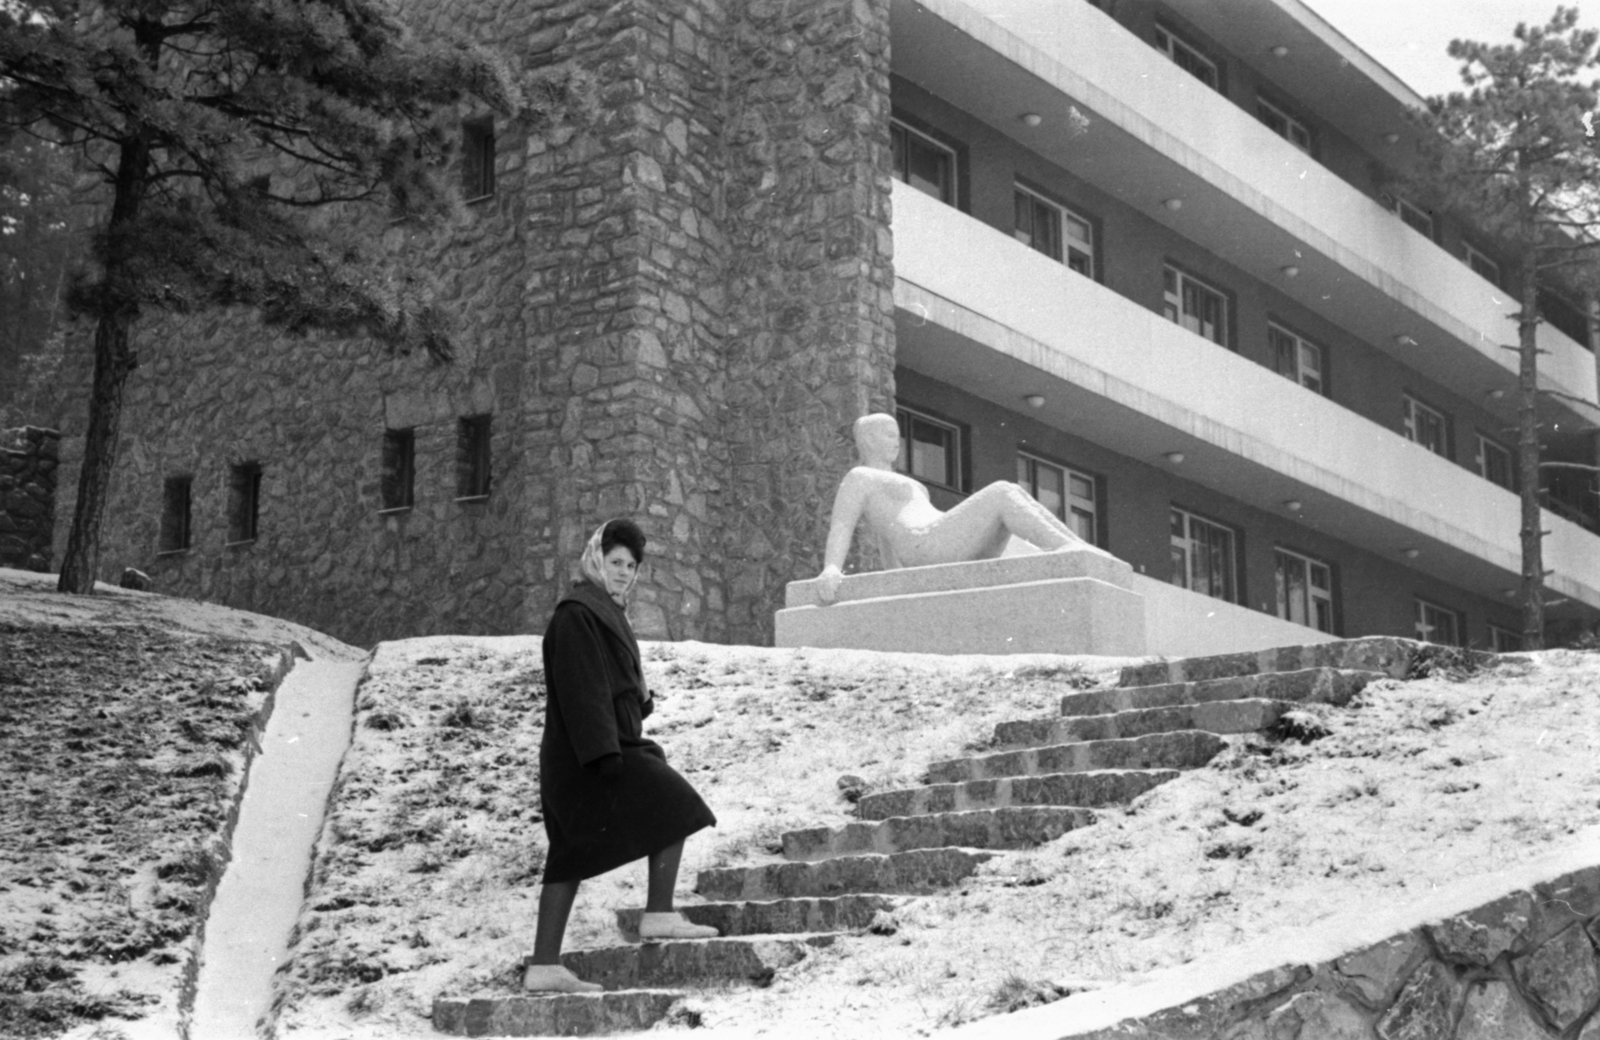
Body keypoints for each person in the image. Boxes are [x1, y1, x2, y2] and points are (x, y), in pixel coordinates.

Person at [523, 518, 719, 994]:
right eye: (616, 562)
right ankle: (656, 914)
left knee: (570, 852)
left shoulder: (603, 610)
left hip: (597, 747)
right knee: (678, 805)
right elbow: (581, 688)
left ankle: (545, 965)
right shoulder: (576, 613)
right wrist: (604, 753)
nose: (624, 572)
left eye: (631, 566)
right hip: (589, 753)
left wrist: (636, 700)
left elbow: (608, 682)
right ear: (596, 560)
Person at [816, 412, 1113, 603]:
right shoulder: (860, 478)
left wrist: (896, 580)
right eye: (889, 434)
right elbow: (842, 525)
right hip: (926, 544)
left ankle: (1074, 545)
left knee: (1010, 491)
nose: (898, 441)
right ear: (868, 438)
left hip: (938, 536)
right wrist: (831, 568)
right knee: (1001, 492)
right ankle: (1064, 546)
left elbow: (887, 538)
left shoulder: (908, 484)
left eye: (897, 435)